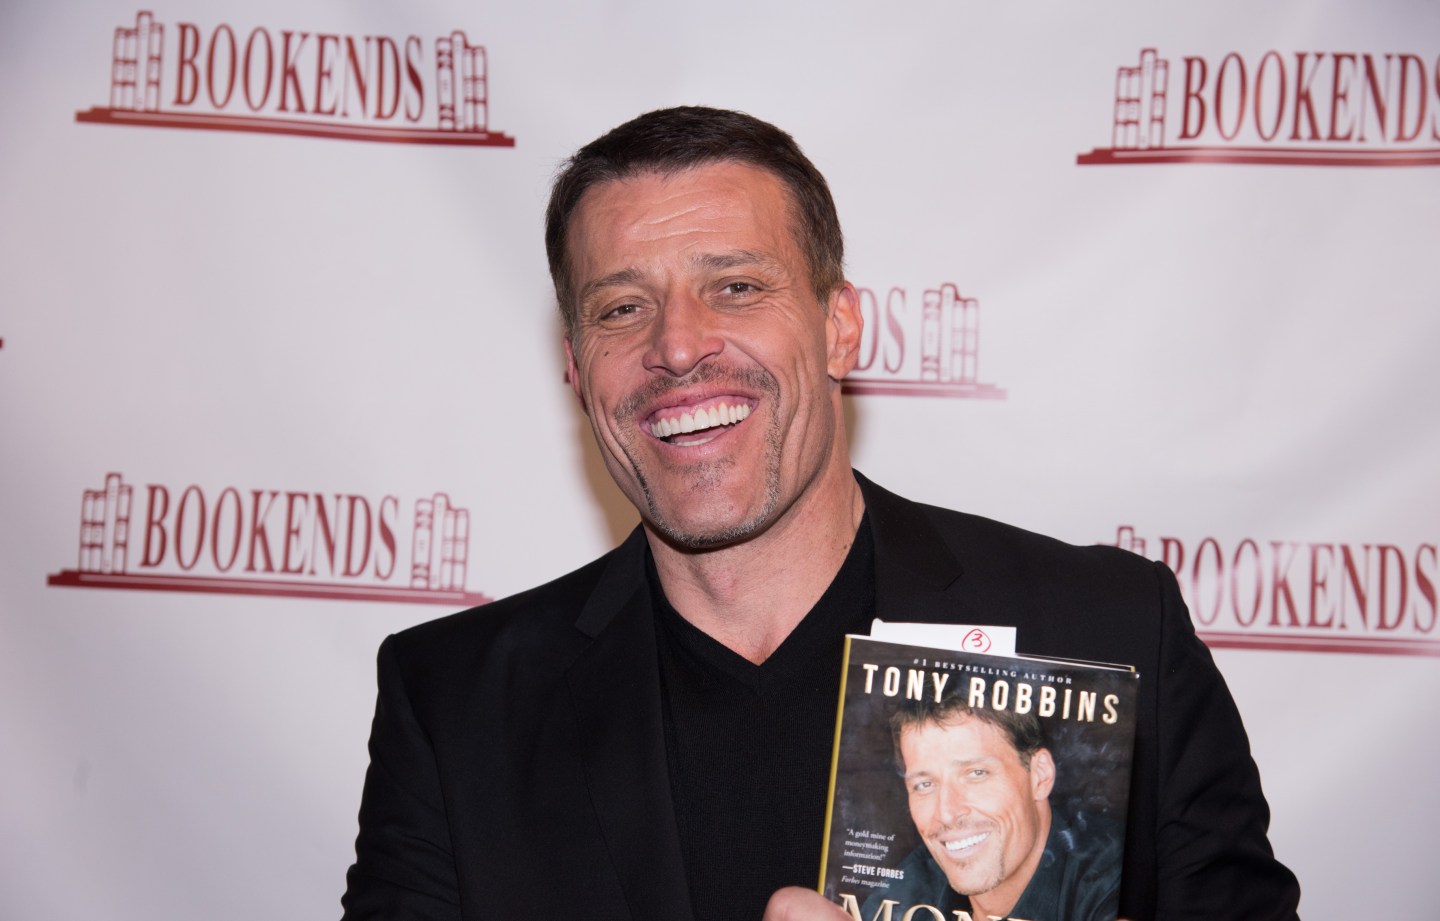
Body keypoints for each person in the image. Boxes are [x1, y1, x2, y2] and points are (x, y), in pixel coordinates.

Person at [341, 106, 1300, 921]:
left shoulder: (1110, 631)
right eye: (622, 308)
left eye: (736, 287)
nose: (677, 346)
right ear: (576, 367)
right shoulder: (457, 706)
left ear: (840, 326)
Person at [865, 693, 1123, 921]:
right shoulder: (905, 893)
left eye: (976, 773)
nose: (946, 814)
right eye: (924, 784)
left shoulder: (1114, 880)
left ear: (1039, 776)